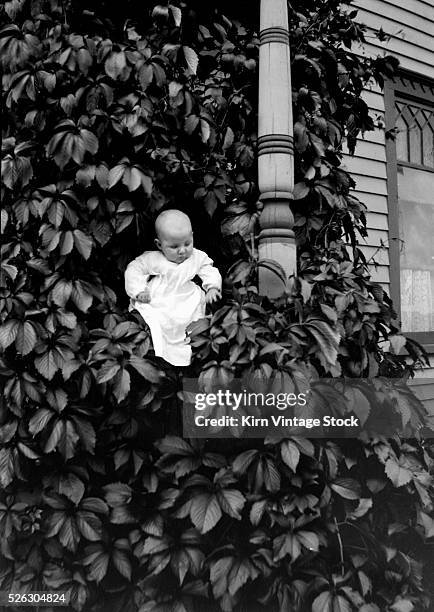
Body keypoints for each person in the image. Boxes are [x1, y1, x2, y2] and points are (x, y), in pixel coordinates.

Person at [125, 209, 222, 366]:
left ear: (192, 236)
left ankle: (191, 355)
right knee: (158, 320)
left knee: (193, 320)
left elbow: (208, 269)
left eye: (187, 243)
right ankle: (160, 353)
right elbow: (135, 268)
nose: (182, 250)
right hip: (161, 297)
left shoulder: (197, 256)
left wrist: (212, 287)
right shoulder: (154, 258)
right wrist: (138, 290)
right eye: (174, 246)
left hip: (187, 298)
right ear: (159, 245)